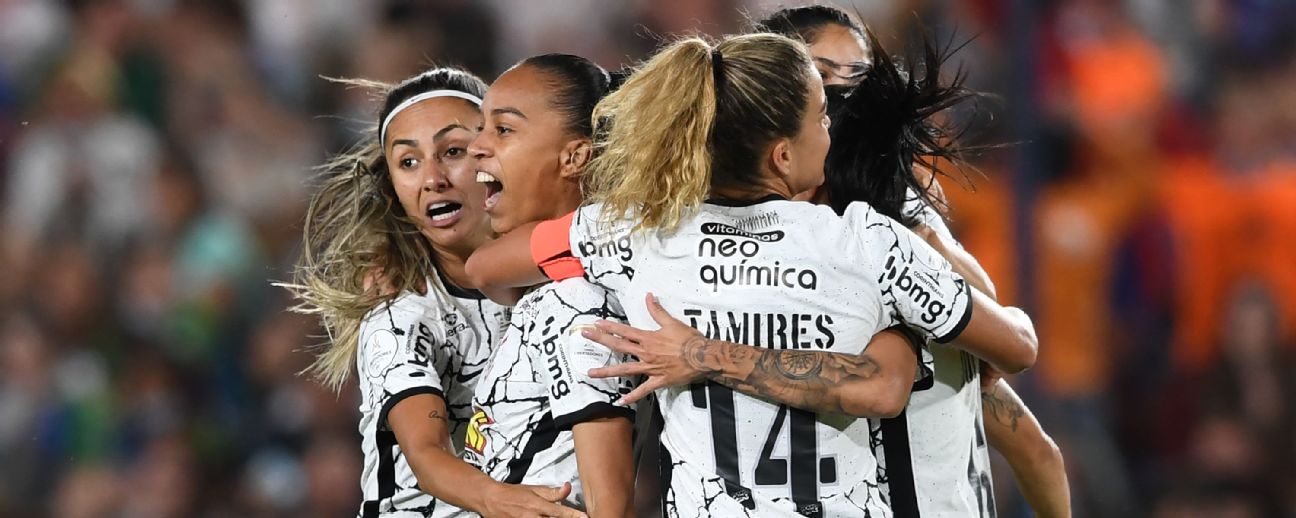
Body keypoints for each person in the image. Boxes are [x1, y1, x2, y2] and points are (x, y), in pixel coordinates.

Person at [469, 32, 1038, 516]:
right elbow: (1017, 347)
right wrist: (915, 316)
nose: (830, 133)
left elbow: (486, 268)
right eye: (820, 117)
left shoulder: (630, 234)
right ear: (783, 156)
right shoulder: (867, 244)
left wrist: (591, 287)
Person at [756, 6, 1071, 516]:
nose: (841, 95)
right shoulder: (738, 226)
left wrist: (930, 250)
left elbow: (1012, 368)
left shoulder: (897, 208)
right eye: (822, 74)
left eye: (857, 76)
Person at [281, 67, 582, 518]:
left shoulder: (568, 267)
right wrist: (511, 503)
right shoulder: (401, 311)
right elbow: (427, 456)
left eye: (453, 151)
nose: (432, 178)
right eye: (408, 162)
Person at [462, 54, 636, 518]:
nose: (476, 145)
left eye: (503, 129)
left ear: (575, 156)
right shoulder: (549, 287)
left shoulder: (579, 301)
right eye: (481, 127)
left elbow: (609, 503)